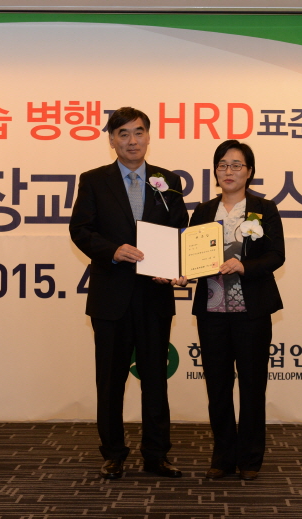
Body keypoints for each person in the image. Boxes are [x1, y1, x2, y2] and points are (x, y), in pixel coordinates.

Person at [69, 107, 189, 479]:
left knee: (155, 379)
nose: (132, 141)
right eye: (123, 134)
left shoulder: (168, 180)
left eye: (138, 132)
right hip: (111, 296)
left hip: (155, 295)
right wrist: (112, 250)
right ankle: (113, 454)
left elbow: (180, 228)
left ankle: (156, 454)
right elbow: (81, 229)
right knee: (110, 381)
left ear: (148, 136)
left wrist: (174, 266)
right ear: (111, 140)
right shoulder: (94, 180)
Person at [188, 140, 285, 481]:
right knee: (217, 386)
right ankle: (223, 456)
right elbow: (192, 255)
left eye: (236, 165)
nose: (228, 171)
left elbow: (276, 255)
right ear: (215, 171)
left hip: (251, 311)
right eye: (222, 165)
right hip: (212, 310)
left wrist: (244, 266)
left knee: (252, 385)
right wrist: (183, 271)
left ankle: (250, 458)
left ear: (249, 171)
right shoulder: (203, 211)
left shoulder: (263, 208)